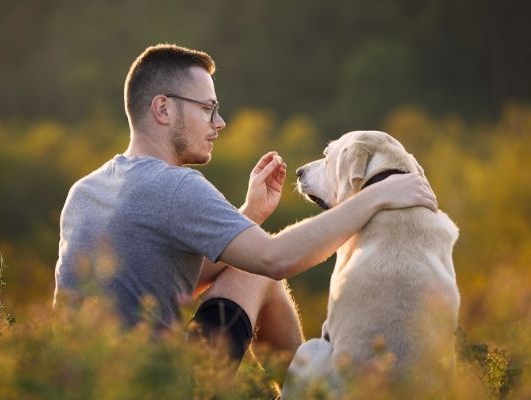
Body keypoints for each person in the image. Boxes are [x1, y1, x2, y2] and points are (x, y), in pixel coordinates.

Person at [53, 44, 437, 366]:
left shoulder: (85, 190)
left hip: (82, 382)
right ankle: (308, 391)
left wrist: (249, 216)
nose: (219, 123)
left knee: (245, 267)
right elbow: (275, 259)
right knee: (259, 270)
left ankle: (304, 388)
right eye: (207, 109)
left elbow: (174, 279)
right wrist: (376, 195)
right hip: (162, 386)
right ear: (163, 109)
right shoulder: (173, 186)